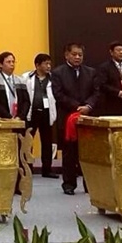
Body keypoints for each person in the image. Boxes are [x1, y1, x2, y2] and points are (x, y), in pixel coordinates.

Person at [51, 43, 99, 195]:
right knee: (69, 153)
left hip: (87, 116)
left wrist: (88, 106)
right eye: (74, 54)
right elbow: (58, 94)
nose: (77, 57)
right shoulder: (58, 73)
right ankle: (69, 184)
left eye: (80, 55)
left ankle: (89, 184)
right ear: (67, 55)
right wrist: (78, 107)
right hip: (67, 117)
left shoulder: (91, 72)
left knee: (88, 152)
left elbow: (96, 92)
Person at [0, 52, 31, 194]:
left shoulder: (20, 80)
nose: (12, 65)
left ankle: (19, 185)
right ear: (0, 64)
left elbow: (26, 101)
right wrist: (8, 117)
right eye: (8, 62)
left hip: (19, 121)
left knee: (19, 154)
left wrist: (20, 117)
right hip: (4, 121)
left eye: (13, 62)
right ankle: (3, 184)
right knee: (3, 154)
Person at [22, 53, 58, 178]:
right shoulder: (26, 77)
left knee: (47, 142)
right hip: (32, 113)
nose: (48, 66)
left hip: (47, 113)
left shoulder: (54, 78)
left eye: (49, 64)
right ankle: (28, 167)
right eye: (45, 64)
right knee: (28, 141)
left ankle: (47, 169)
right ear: (37, 65)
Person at [96, 41, 122, 116]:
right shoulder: (104, 67)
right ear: (111, 52)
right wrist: (118, 93)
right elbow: (102, 85)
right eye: (118, 50)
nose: (121, 52)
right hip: (113, 104)